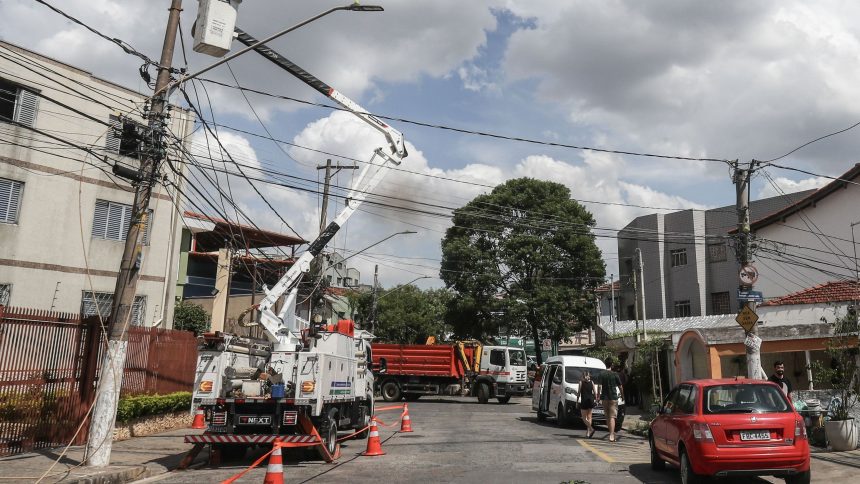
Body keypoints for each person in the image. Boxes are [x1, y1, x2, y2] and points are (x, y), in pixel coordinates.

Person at [596, 357, 624, 442]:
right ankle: (612, 435)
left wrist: (598, 396)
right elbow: (620, 387)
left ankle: (611, 432)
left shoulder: (601, 374)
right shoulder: (615, 374)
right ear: (612, 365)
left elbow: (599, 386)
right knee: (612, 416)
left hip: (604, 398)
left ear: (605, 364)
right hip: (613, 397)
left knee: (607, 416)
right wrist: (622, 396)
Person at [578, 371, 596, 438]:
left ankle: (591, 429)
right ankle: (588, 433)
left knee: (584, 418)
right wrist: (596, 399)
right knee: (589, 417)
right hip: (591, 400)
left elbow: (578, 393)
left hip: (584, 401)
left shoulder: (581, 382)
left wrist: (577, 401)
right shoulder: (592, 382)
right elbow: (595, 392)